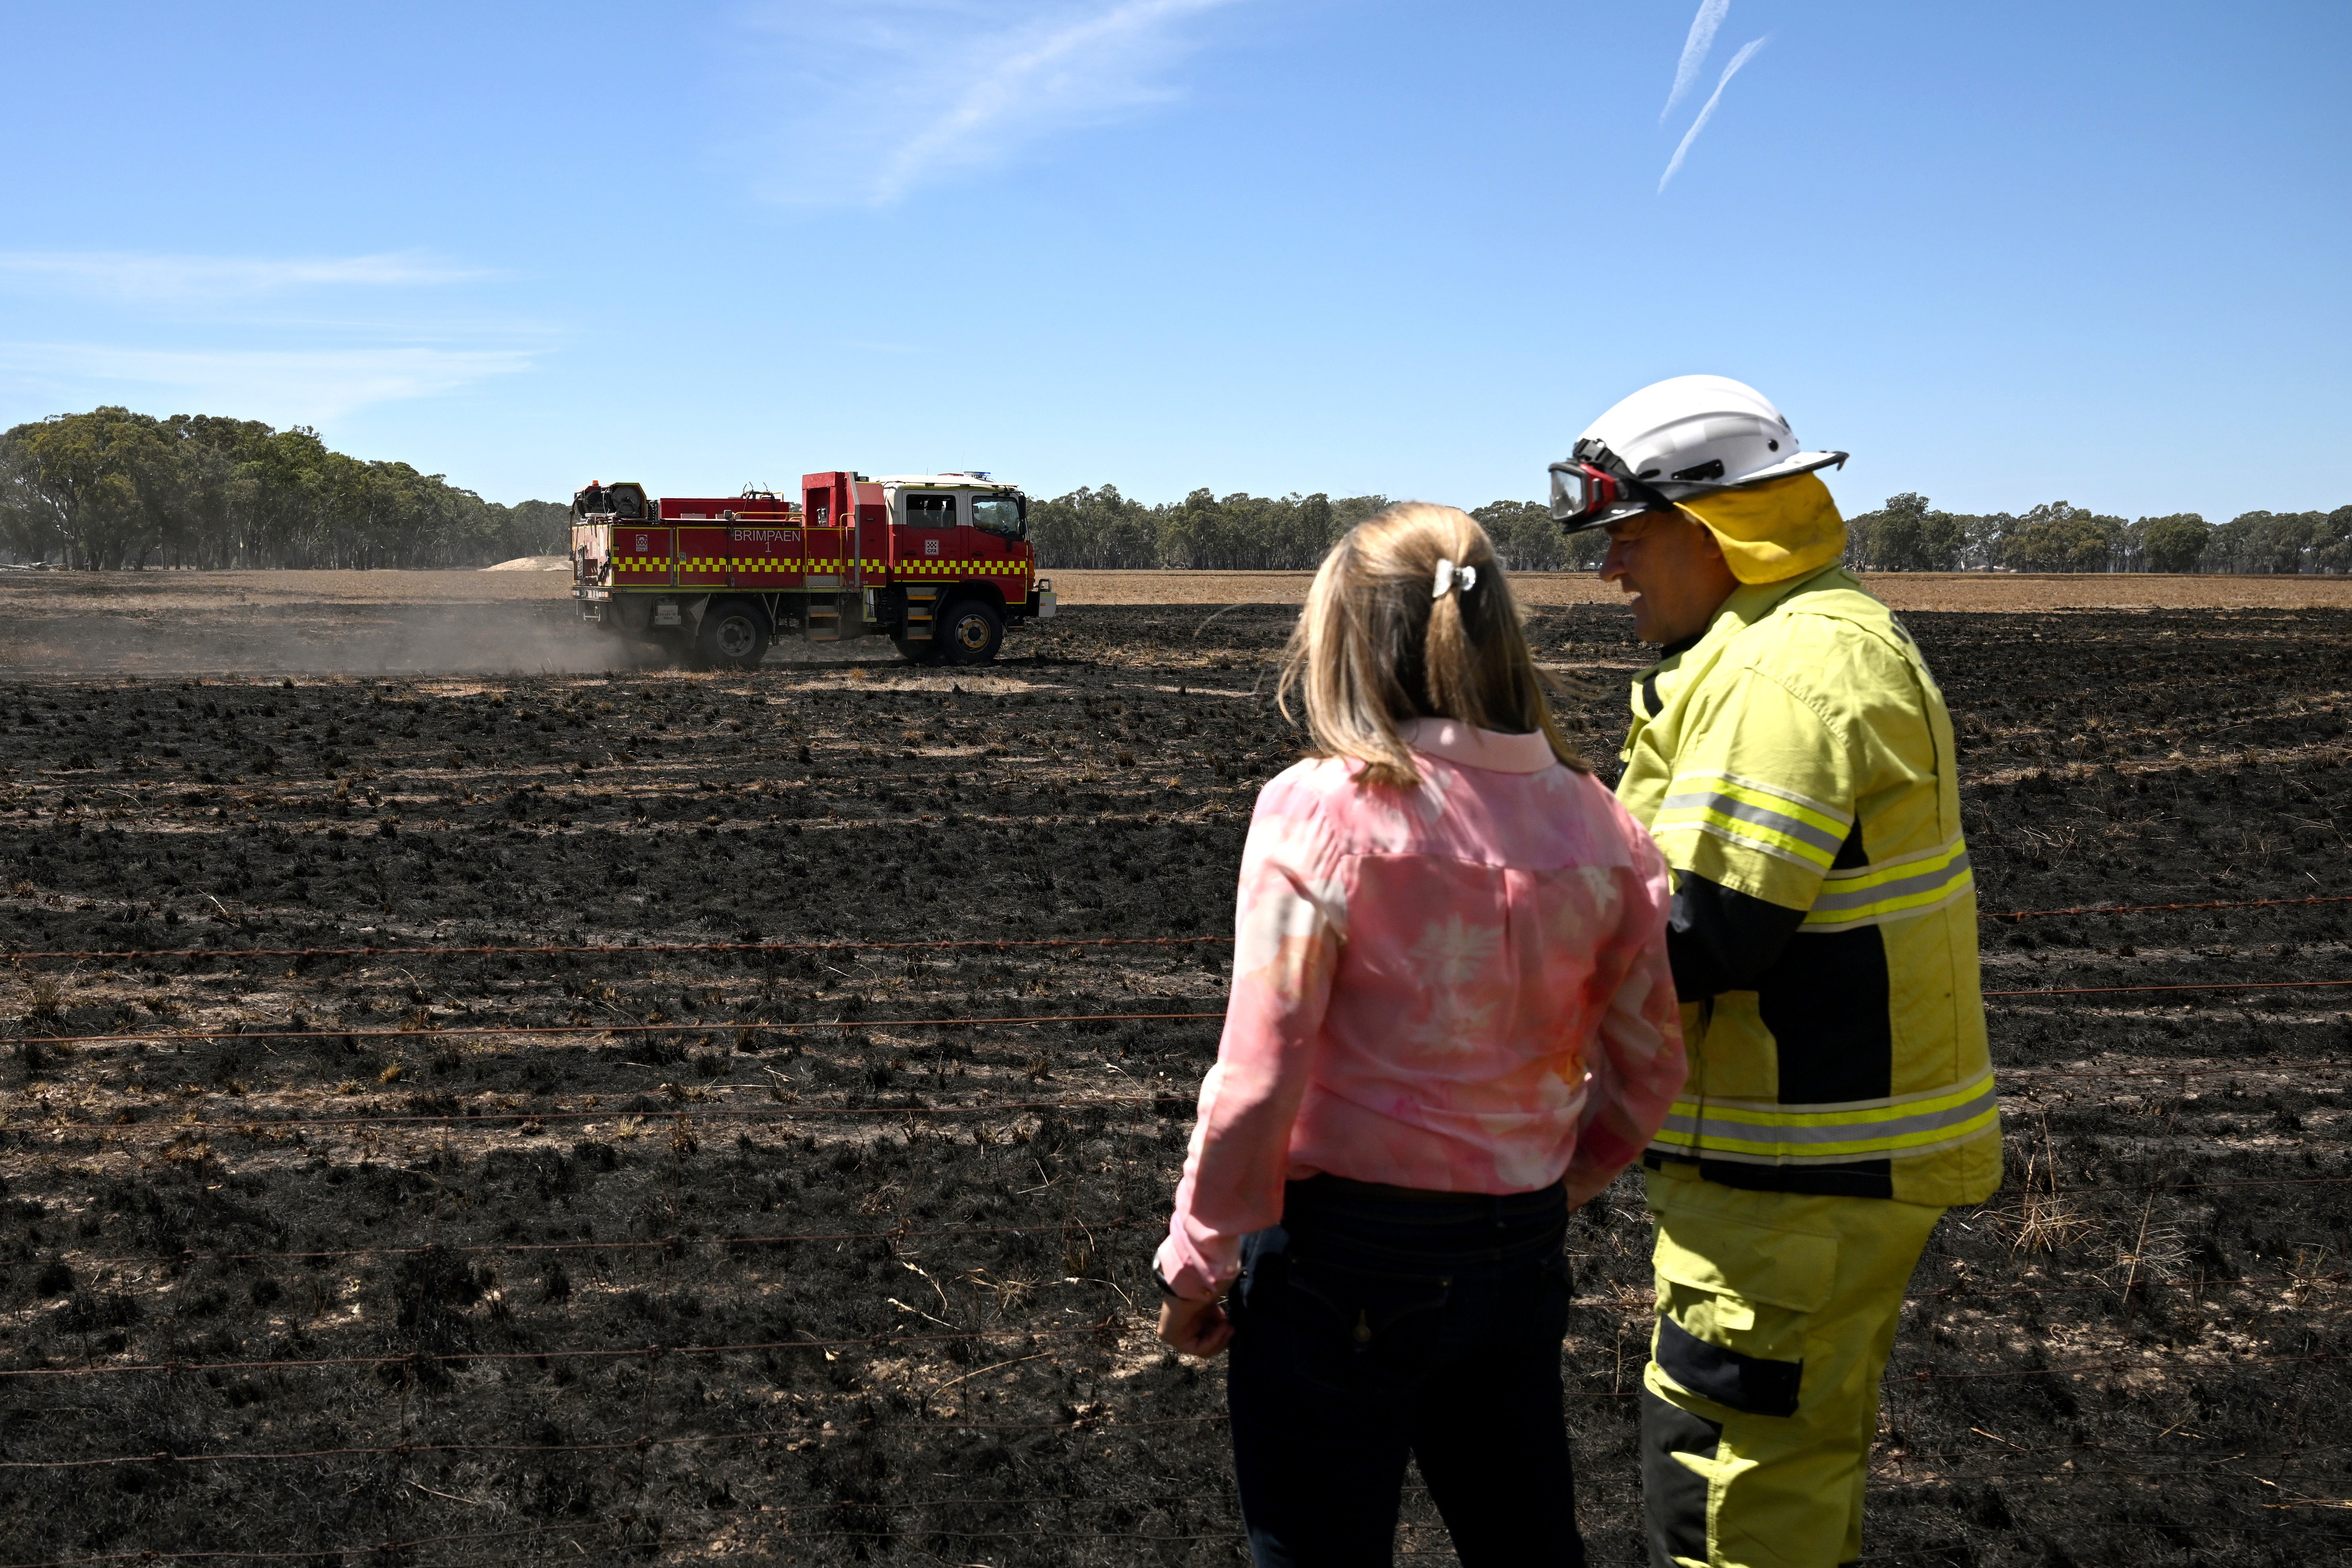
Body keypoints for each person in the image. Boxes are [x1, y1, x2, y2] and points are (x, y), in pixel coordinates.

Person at [1154, 502, 1687, 1568]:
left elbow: (1258, 1079)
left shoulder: (1322, 810)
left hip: (1339, 1258)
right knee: (1525, 1540)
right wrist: (1550, 1187)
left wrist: (1196, 1264)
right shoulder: (1602, 821)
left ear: (1343, 639)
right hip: (1519, 1252)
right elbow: (1649, 1073)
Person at [1549, 375, 2002, 1568]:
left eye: (1628, 539)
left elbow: (1697, 937)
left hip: (1800, 1171)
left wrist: (1467, 969)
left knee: (1733, 1494)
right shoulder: (1782, 643)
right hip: (1789, 1170)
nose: (1609, 573)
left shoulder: (1779, 676)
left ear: (1714, 529)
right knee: (1778, 1470)